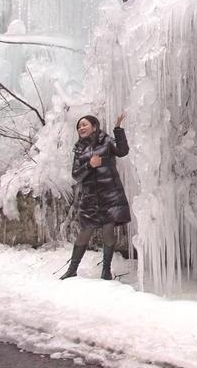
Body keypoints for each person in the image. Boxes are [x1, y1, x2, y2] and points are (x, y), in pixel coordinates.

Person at [60, 113, 130, 281]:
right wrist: (89, 165)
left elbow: (122, 151)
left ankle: (106, 271)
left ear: (94, 126)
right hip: (90, 198)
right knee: (85, 232)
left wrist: (118, 129)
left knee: (108, 232)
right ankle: (72, 269)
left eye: (84, 124)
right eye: (79, 126)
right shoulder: (79, 149)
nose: (80, 128)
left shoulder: (106, 142)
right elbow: (76, 175)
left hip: (110, 195)